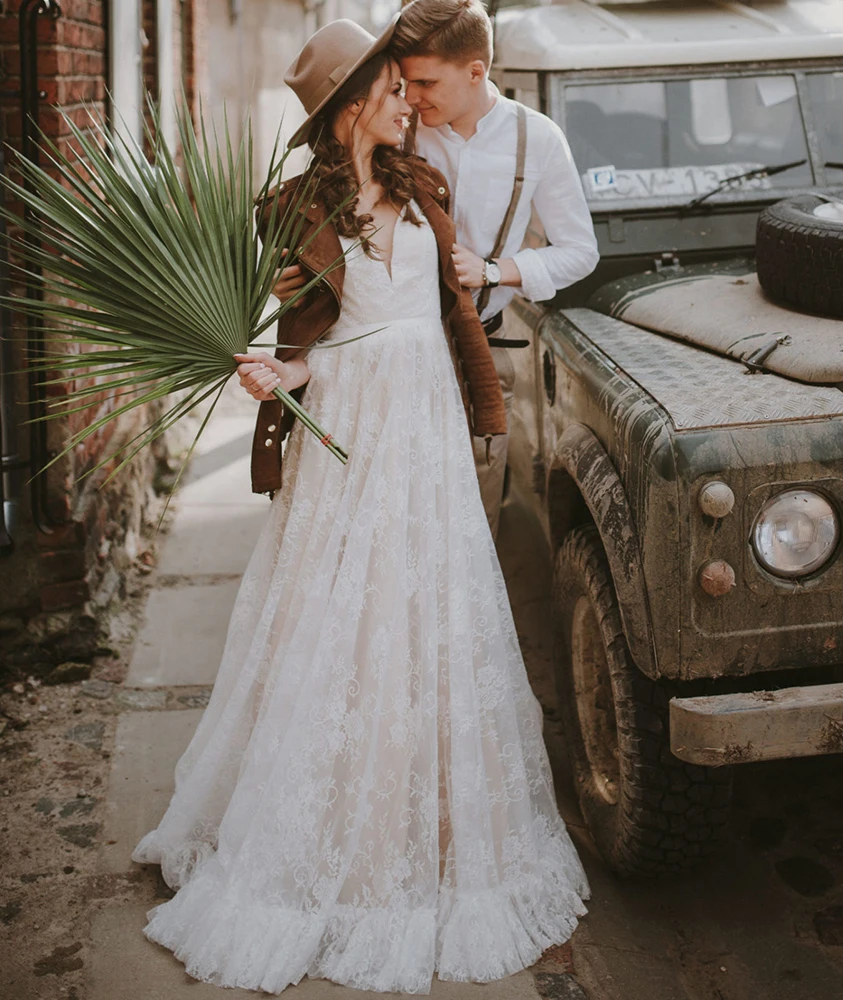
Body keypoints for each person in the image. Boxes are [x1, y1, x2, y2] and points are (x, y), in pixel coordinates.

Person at [131, 18, 589, 996]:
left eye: (405, 86)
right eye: (388, 88)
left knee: (434, 608)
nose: (405, 101)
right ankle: (321, 838)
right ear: (347, 107)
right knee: (339, 619)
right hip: (352, 424)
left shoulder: (424, 184)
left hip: (425, 419)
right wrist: (274, 372)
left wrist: (482, 379)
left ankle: (440, 816)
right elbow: (300, 337)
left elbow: (450, 307)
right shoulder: (298, 208)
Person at [274, 0, 599, 539]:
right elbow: (321, 216)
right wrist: (290, 275)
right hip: (373, 368)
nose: (412, 99)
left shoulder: (537, 140)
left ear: (476, 71)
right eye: (404, 85)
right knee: (375, 522)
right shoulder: (396, 128)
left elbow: (580, 251)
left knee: (467, 527)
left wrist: (496, 270)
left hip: (480, 355)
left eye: (424, 83)